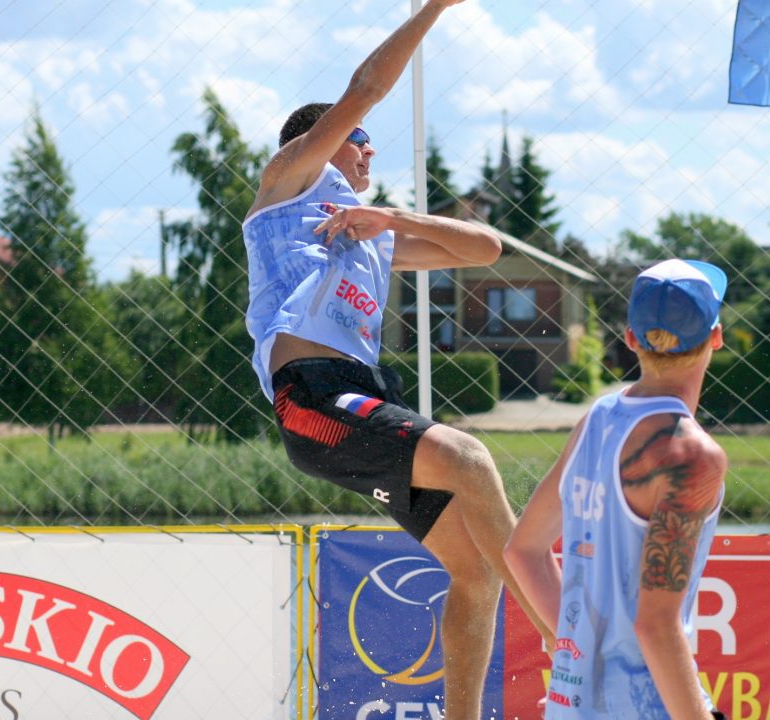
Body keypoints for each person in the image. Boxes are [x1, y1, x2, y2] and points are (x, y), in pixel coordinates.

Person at [242, 1, 552, 716]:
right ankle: (565, 641)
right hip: (310, 401)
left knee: (474, 571)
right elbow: (366, 88)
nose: (369, 152)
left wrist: (392, 219)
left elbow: (485, 250)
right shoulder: (287, 185)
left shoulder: (370, 235)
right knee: (468, 456)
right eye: (359, 141)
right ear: (320, 143)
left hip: (359, 399)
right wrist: (435, 8)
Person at [503, 259, 729, 719]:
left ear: (630, 339)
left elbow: (522, 551)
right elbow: (655, 626)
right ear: (716, 337)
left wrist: (578, 654)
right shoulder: (690, 454)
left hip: (571, 706)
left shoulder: (598, 419)